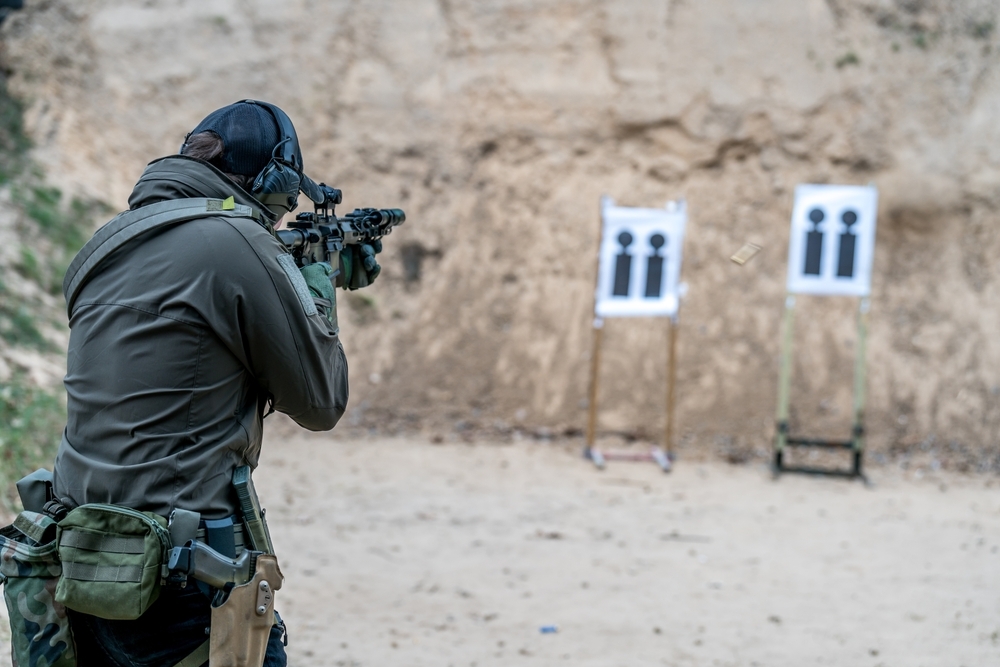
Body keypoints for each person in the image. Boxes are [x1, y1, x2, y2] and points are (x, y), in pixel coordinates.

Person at [49, 100, 375, 666]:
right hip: (182, 580)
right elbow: (322, 402)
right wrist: (317, 290)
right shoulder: (238, 242)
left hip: (81, 558)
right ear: (274, 182)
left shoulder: (104, 246)